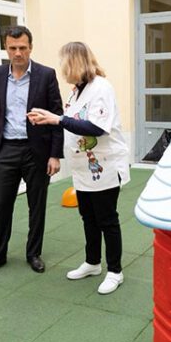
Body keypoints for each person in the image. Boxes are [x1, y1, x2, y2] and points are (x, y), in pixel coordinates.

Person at [28, 42, 130, 294]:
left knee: (107, 220)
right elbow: (72, 121)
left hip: (105, 166)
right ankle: (93, 262)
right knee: (88, 218)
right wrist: (49, 117)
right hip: (84, 169)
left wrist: (57, 119)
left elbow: (96, 127)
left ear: (74, 62)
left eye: (64, 62)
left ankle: (115, 271)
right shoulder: (76, 92)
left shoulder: (101, 88)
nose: (62, 69)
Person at [0, 25, 63, 276]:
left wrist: (55, 154)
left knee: (36, 205)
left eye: (23, 48)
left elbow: (57, 115)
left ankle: (33, 253)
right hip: (6, 150)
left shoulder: (46, 75)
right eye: (13, 48)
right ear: (6, 48)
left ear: (30, 48)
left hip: (36, 150)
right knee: (2, 204)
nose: (18, 53)